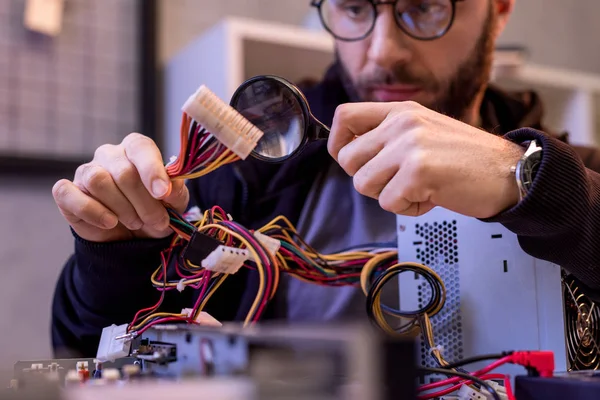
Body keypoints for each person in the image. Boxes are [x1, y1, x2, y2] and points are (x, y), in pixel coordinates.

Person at [51, 0, 600, 357]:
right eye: (355, 8)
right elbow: (87, 355)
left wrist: (529, 178)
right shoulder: (243, 175)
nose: (383, 51)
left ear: (499, 11)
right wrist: (114, 257)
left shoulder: (577, 176)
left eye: (426, 8)